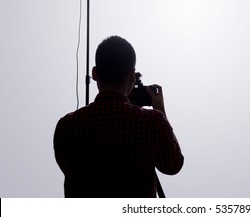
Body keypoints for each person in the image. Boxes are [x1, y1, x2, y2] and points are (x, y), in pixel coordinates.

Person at [54, 35, 184, 197]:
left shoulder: (67, 126)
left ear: (94, 74)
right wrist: (160, 112)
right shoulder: (153, 122)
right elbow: (173, 165)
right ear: (132, 76)